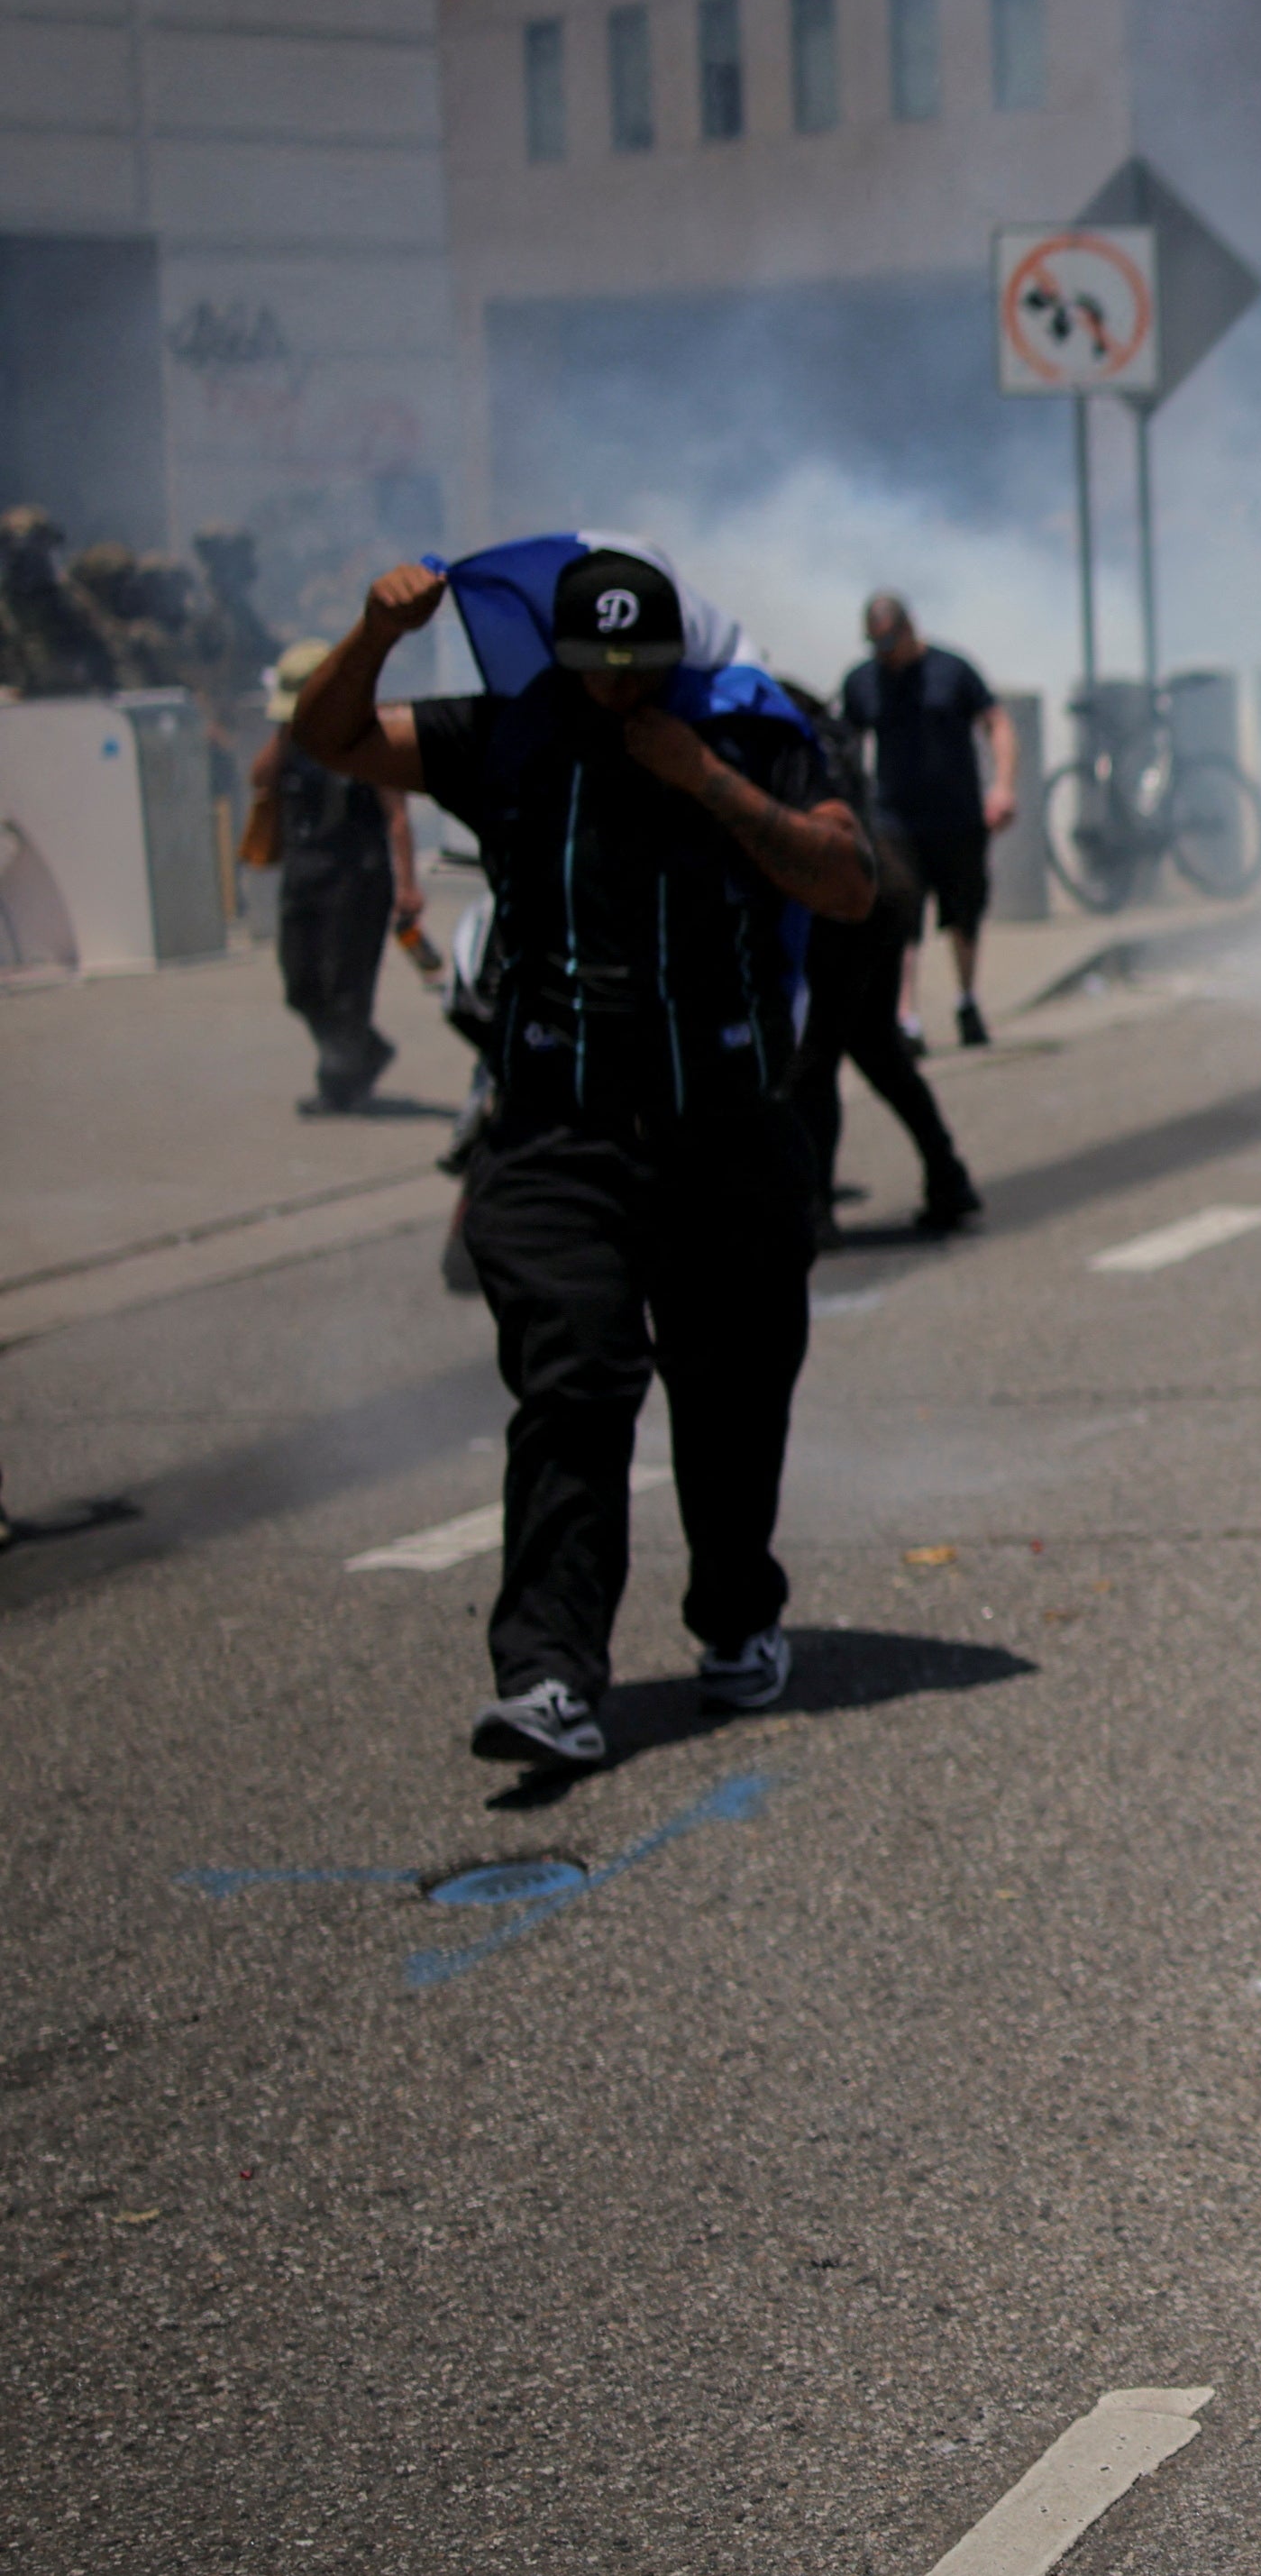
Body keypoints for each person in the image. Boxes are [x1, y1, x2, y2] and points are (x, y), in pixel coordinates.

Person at [293, 543, 873, 1770]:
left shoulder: (750, 733)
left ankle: (735, 1617)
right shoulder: (507, 734)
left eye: (640, 669)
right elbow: (332, 739)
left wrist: (705, 778)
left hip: (726, 1126)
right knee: (576, 1384)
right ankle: (551, 1675)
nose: (619, 692)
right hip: (560, 1128)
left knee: (730, 1397)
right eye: (595, 669)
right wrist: (373, 635)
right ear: (558, 657)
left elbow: (846, 883)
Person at [787, 670, 981, 1236]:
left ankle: (815, 1209)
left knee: (816, 1057)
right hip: (878, 891)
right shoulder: (821, 728)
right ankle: (948, 1176)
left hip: (847, 904)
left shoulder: (782, 734)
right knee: (875, 1050)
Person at [250, 639, 422, 1109]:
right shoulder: (293, 740)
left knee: (345, 986)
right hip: (305, 874)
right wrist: (288, 728)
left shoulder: (369, 737)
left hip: (359, 877)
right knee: (301, 981)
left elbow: (397, 815)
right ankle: (363, 1052)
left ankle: (343, 1082)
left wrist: (408, 884)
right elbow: (259, 778)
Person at [839, 594, 1017, 1045]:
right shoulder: (863, 682)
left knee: (964, 915)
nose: (884, 651)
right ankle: (907, 1019)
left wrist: (1003, 787)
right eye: (875, 643)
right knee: (901, 916)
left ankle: (967, 1001)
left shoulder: (952, 670)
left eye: (891, 640)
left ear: (911, 628)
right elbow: (845, 745)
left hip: (958, 816)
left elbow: (996, 722)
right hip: (894, 822)